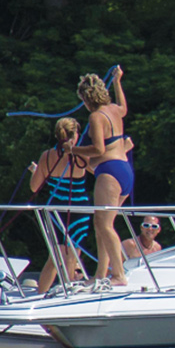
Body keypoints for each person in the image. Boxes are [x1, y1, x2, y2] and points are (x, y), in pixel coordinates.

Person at [70, 68, 134, 289]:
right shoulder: (114, 110)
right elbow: (124, 108)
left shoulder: (96, 116)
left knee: (103, 224)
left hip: (110, 171)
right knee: (104, 225)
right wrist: (118, 82)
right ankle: (100, 274)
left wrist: (73, 150)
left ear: (87, 100)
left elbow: (97, 149)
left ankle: (118, 275)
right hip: (124, 170)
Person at [27, 116, 90, 291]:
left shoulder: (47, 156)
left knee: (54, 256)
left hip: (55, 210)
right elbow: (100, 171)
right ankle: (68, 292)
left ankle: (41, 294)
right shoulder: (82, 155)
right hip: (78, 210)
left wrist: (35, 171)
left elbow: (34, 187)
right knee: (72, 255)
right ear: (75, 134)